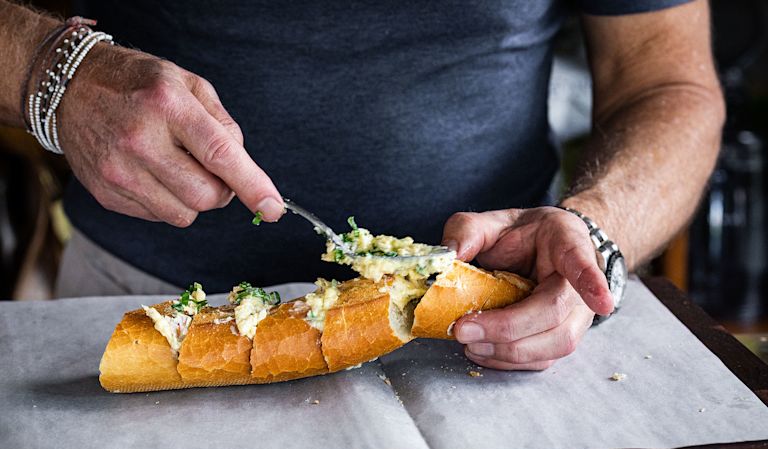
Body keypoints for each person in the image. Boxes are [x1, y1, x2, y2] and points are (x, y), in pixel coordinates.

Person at [0, 0, 724, 371]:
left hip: (486, 324)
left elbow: (670, 85)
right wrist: (51, 72)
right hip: (144, 303)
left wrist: (595, 230)